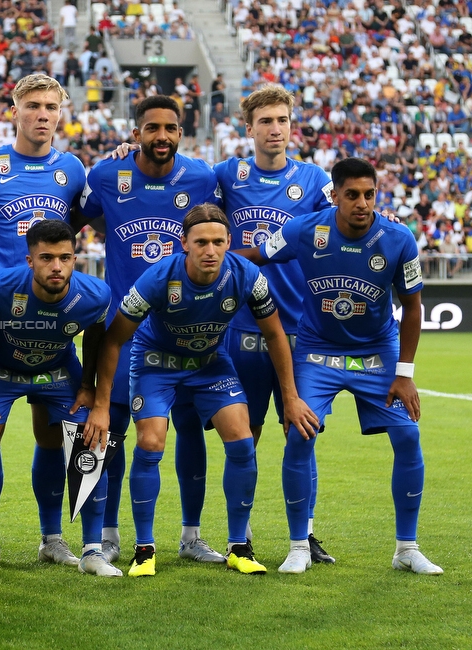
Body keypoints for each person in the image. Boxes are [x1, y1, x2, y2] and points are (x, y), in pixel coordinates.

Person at [85, 204, 318, 577]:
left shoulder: (248, 276)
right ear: (185, 244)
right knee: (150, 442)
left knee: (242, 441)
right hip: (156, 363)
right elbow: (113, 341)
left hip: (209, 363)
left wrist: (290, 397)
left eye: (218, 242)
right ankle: (144, 550)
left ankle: (238, 546)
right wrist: (100, 403)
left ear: (229, 243)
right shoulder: (158, 278)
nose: (210, 250)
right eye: (201, 242)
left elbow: (275, 334)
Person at [238, 158, 443, 576]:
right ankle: (298, 545)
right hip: (317, 352)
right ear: (335, 196)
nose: (362, 203)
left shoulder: (399, 238)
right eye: (352, 195)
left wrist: (404, 374)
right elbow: (256, 255)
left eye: (369, 194)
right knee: (299, 435)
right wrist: (207, 261)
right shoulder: (305, 229)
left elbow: (414, 305)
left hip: (377, 353)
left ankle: (407, 548)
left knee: (408, 436)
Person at [81, 95, 226, 566]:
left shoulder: (204, 178)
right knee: (112, 433)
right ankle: (106, 534)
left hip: (188, 330)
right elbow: (66, 225)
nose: (161, 136)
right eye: (151, 128)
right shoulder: (106, 175)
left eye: (170, 128)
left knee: (189, 429)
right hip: (124, 329)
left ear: (181, 131)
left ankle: (190, 535)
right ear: (136, 131)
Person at [0, 73, 86, 567]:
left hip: (53, 331)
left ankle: (52, 539)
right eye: (33, 106)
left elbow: (93, 217)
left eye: (51, 106)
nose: (43, 115)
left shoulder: (72, 169)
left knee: (53, 435)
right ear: (15, 110)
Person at [213, 84, 336, 563]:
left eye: (282, 120)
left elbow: (340, 232)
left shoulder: (313, 179)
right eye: (265, 121)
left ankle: (304, 534)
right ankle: (237, 538)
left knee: (302, 431)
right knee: (246, 436)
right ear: (249, 128)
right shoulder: (227, 175)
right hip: (241, 327)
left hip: (298, 328)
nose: (275, 129)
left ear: (292, 125)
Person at [0, 220, 117, 581]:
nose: (56, 267)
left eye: (64, 258)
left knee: (90, 442)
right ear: (30, 261)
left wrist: (89, 387)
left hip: (58, 371)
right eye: (46, 258)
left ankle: (88, 550)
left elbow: (97, 337)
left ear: (75, 258)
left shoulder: (96, 294)